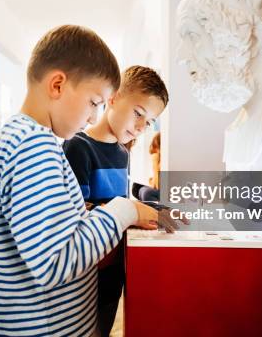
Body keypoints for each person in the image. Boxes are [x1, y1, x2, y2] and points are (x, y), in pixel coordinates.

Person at [0, 25, 159, 337]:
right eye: (94, 102)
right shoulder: (34, 147)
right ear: (57, 85)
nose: (94, 117)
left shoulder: (26, 136)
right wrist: (126, 210)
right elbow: (55, 262)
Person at [63, 66, 169, 336]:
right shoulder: (78, 146)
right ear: (114, 97)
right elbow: (79, 215)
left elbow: (119, 200)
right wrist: (133, 212)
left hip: (113, 270)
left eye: (149, 121)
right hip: (85, 275)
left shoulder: (122, 153)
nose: (141, 127)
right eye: (138, 113)